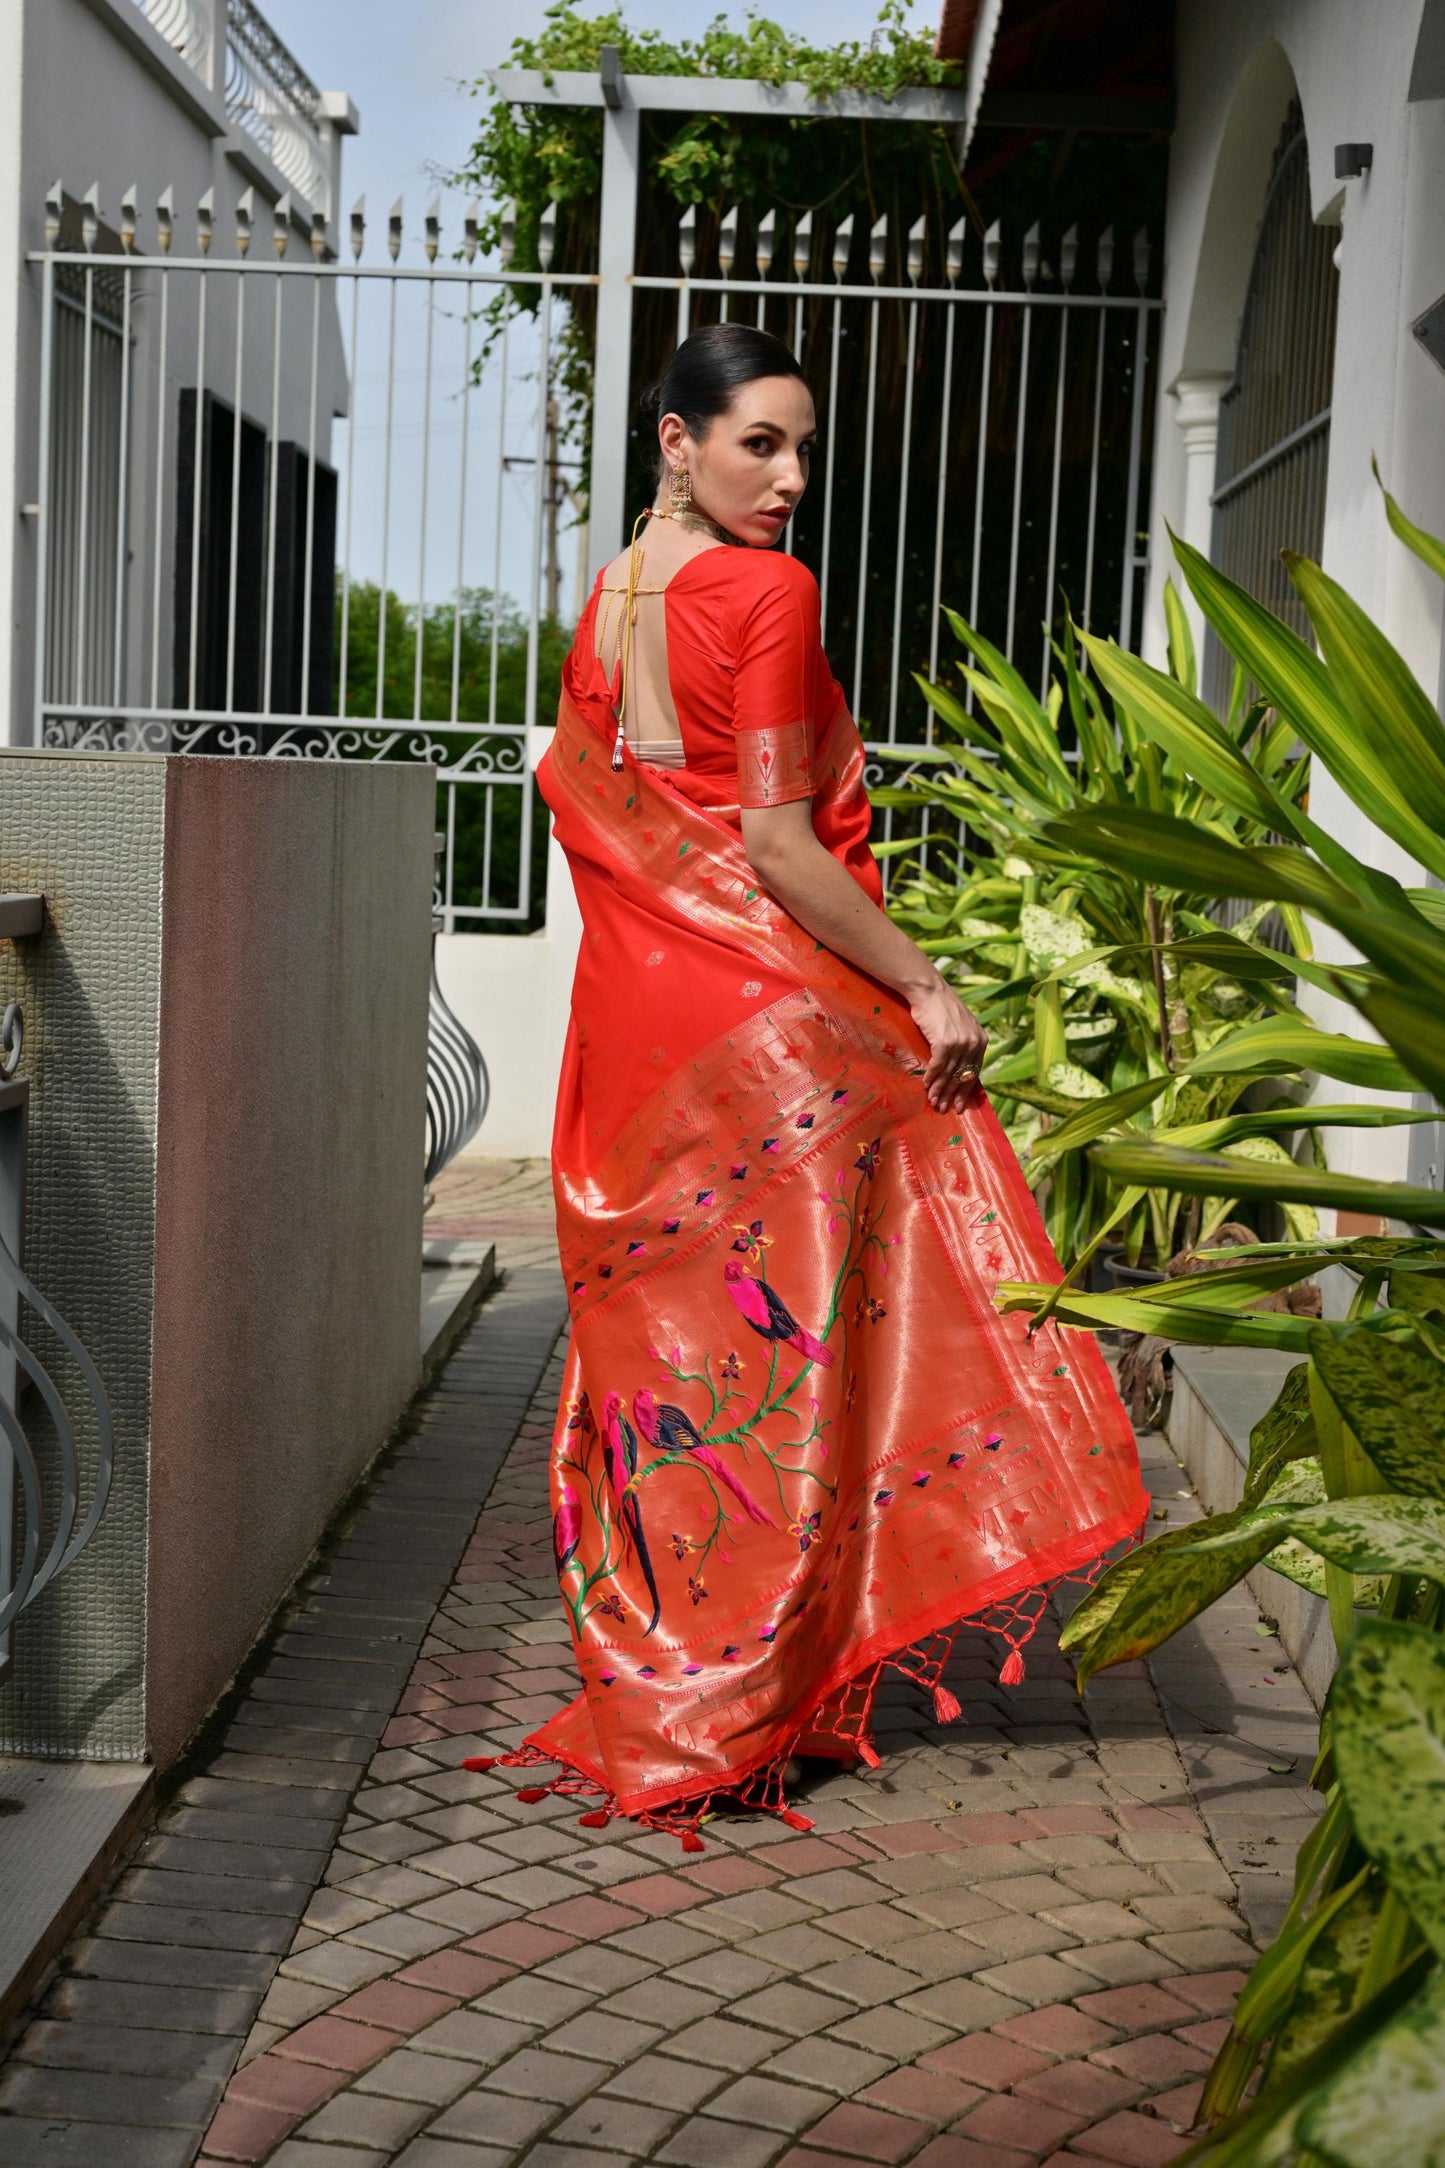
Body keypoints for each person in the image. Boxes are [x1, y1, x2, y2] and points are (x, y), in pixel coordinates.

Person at [467, 322, 1147, 1846]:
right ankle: (747, 1693)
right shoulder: (764, 593)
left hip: (639, 1024)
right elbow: (774, 842)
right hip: (759, 1023)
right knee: (800, 1342)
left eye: (799, 448)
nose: (786, 476)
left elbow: (622, 810)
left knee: (678, 1349)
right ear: (675, 441)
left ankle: (677, 1674)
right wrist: (920, 982)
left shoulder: (612, 599)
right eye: (755, 442)